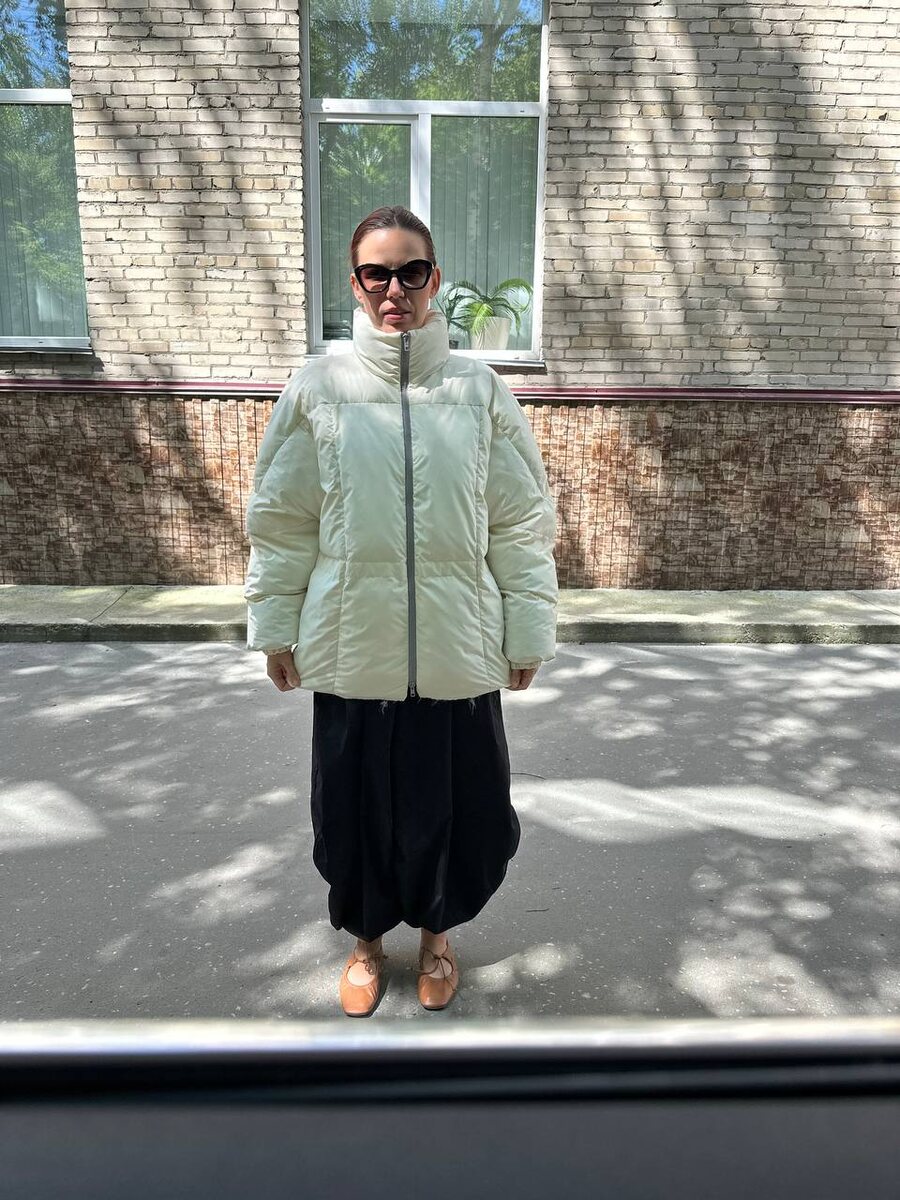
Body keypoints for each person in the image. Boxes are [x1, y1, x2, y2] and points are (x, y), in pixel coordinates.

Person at [243, 205, 558, 1017]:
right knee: (354, 810)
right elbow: (283, 519)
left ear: (434, 280)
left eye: (410, 272)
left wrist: (527, 628)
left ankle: (437, 940)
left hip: (458, 647)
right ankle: (367, 943)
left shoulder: (477, 391)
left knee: (457, 807)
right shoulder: (319, 388)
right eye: (376, 273)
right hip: (353, 646)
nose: (394, 289)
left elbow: (519, 521)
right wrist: (274, 627)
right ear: (355, 284)